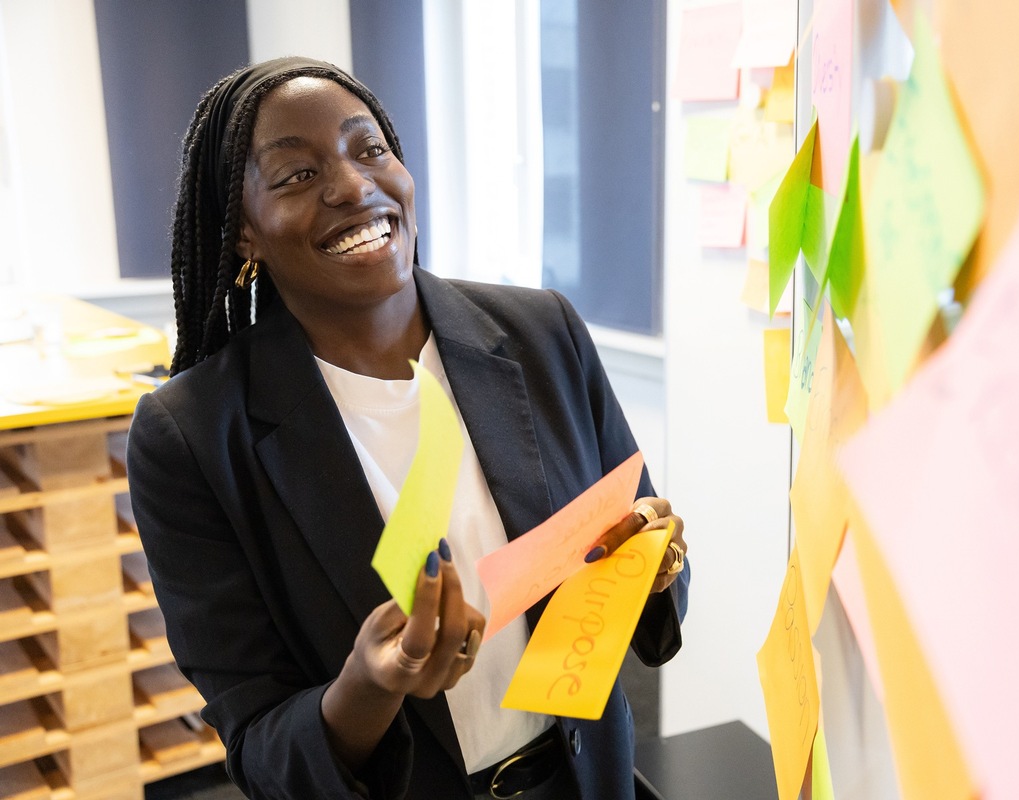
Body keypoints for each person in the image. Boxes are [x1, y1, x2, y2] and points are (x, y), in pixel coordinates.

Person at [125, 56, 690, 800]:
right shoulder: (191, 436)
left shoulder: (541, 333)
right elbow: (260, 747)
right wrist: (368, 686)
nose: (354, 187)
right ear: (243, 234)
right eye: (296, 175)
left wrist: (655, 557)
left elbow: (648, 565)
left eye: (371, 150)